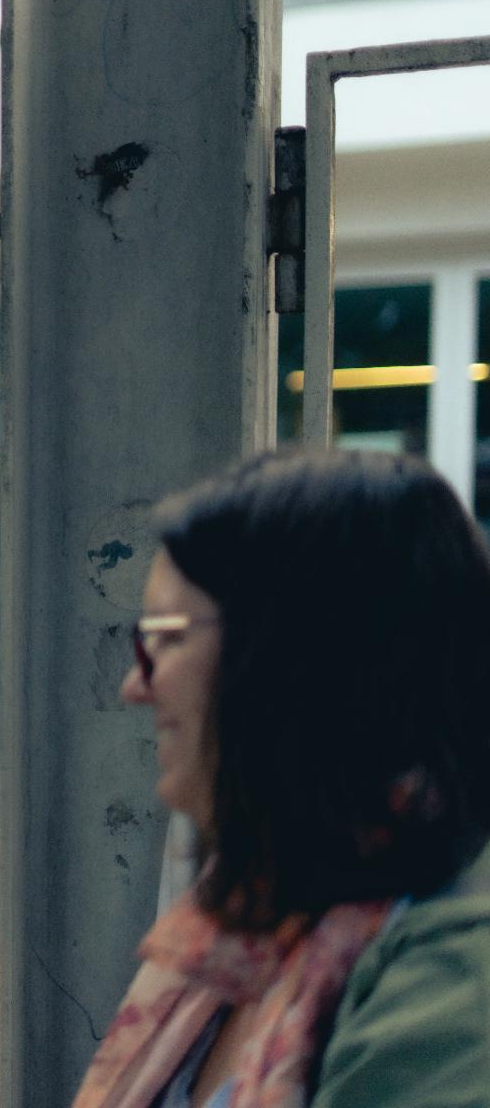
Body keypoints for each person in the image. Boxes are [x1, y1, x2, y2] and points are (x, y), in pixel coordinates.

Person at [72, 448, 490, 1108]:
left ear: (292, 661)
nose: (134, 685)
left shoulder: (455, 982)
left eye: (166, 639)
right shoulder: (253, 913)